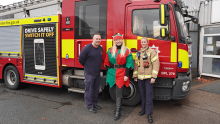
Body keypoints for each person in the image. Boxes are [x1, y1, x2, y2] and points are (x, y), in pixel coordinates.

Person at [104, 33, 134, 120]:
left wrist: (126, 75)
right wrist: (107, 73)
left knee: (119, 92)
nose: (118, 41)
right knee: (113, 91)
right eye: (116, 40)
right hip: (112, 72)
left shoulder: (126, 50)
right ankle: (118, 108)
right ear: (114, 41)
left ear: (122, 40)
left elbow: (129, 63)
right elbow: (106, 62)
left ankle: (118, 111)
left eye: (119, 39)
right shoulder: (110, 50)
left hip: (122, 72)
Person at [133, 37, 160, 123]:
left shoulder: (152, 51)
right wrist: (135, 76)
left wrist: (153, 77)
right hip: (140, 78)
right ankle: (143, 110)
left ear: (147, 42)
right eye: (142, 42)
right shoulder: (139, 53)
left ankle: (149, 114)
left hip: (148, 78)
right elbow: (136, 65)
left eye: (145, 42)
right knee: (142, 95)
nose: (143, 43)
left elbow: (156, 64)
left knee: (148, 95)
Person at [79, 33, 103, 113]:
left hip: (97, 73)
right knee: (89, 90)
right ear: (93, 39)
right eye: (96, 39)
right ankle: (90, 106)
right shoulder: (87, 48)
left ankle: (95, 103)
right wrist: (87, 66)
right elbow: (81, 59)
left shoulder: (100, 48)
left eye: (99, 39)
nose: (98, 40)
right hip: (89, 73)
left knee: (96, 90)